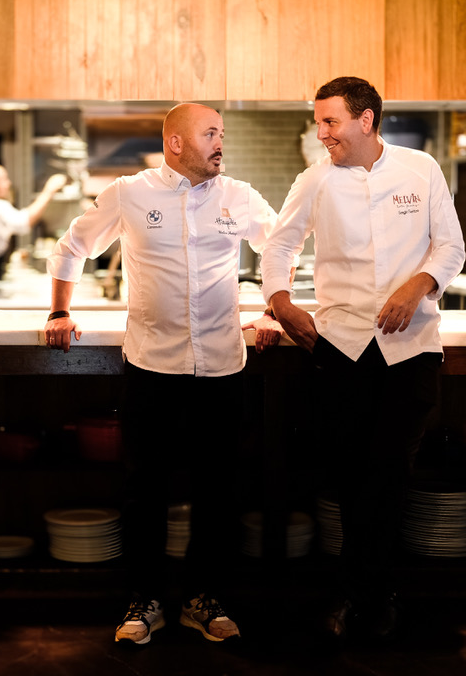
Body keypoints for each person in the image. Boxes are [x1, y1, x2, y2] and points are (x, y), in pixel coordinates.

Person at [44, 103, 285, 646]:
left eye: (222, 133)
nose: (220, 143)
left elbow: (280, 246)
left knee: (217, 490)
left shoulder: (239, 195)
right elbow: (73, 245)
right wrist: (60, 311)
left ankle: (204, 599)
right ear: (175, 143)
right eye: (210, 133)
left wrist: (275, 308)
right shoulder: (130, 193)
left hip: (222, 365)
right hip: (151, 365)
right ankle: (145, 600)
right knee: (144, 488)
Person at [259, 77, 466, 643]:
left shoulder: (420, 169)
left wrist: (418, 285)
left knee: (390, 475)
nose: (321, 134)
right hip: (341, 348)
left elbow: (451, 246)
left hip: (411, 349)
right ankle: (370, 595)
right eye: (318, 122)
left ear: (366, 120)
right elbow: (279, 246)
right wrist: (281, 301)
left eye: (330, 122)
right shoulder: (314, 180)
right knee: (350, 477)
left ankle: (364, 594)